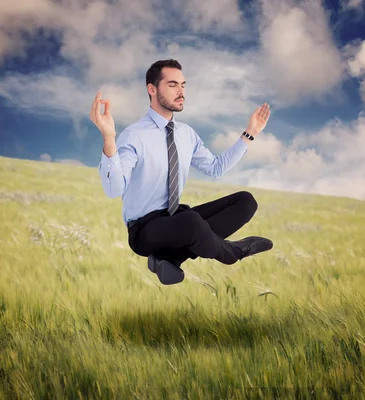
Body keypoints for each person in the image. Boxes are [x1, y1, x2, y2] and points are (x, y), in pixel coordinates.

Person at [90, 59, 273, 285]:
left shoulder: (186, 134)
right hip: (145, 230)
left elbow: (216, 169)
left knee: (245, 202)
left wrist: (249, 133)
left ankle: (171, 258)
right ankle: (232, 253)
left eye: (183, 85)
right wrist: (109, 138)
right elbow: (114, 189)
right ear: (152, 89)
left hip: (178, 219)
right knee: (191, 222)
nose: (181, 92)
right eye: (173, 85)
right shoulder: (134, 135)